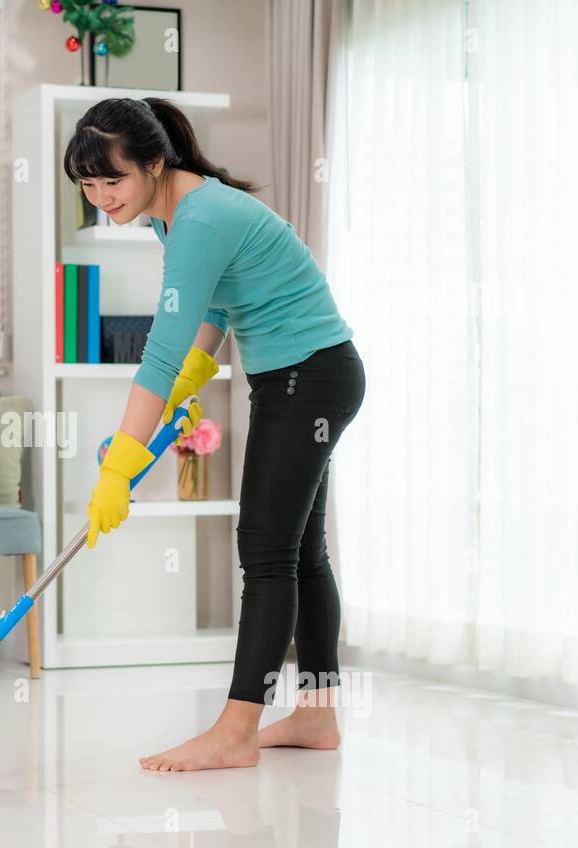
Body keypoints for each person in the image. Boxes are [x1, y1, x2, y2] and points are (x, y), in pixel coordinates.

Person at [65, 97, 367, 771]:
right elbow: (206, 322)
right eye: (87, 186)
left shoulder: (200, 217)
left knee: (265, 550)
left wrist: (119, 468)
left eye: (111, 180)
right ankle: (317, 714)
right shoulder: (178, 215)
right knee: (301, 551)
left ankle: (236, 728)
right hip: (304, 375)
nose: (100, 197)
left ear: (153, 162)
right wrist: (182, 390)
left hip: (306, 378)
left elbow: (161, 350)